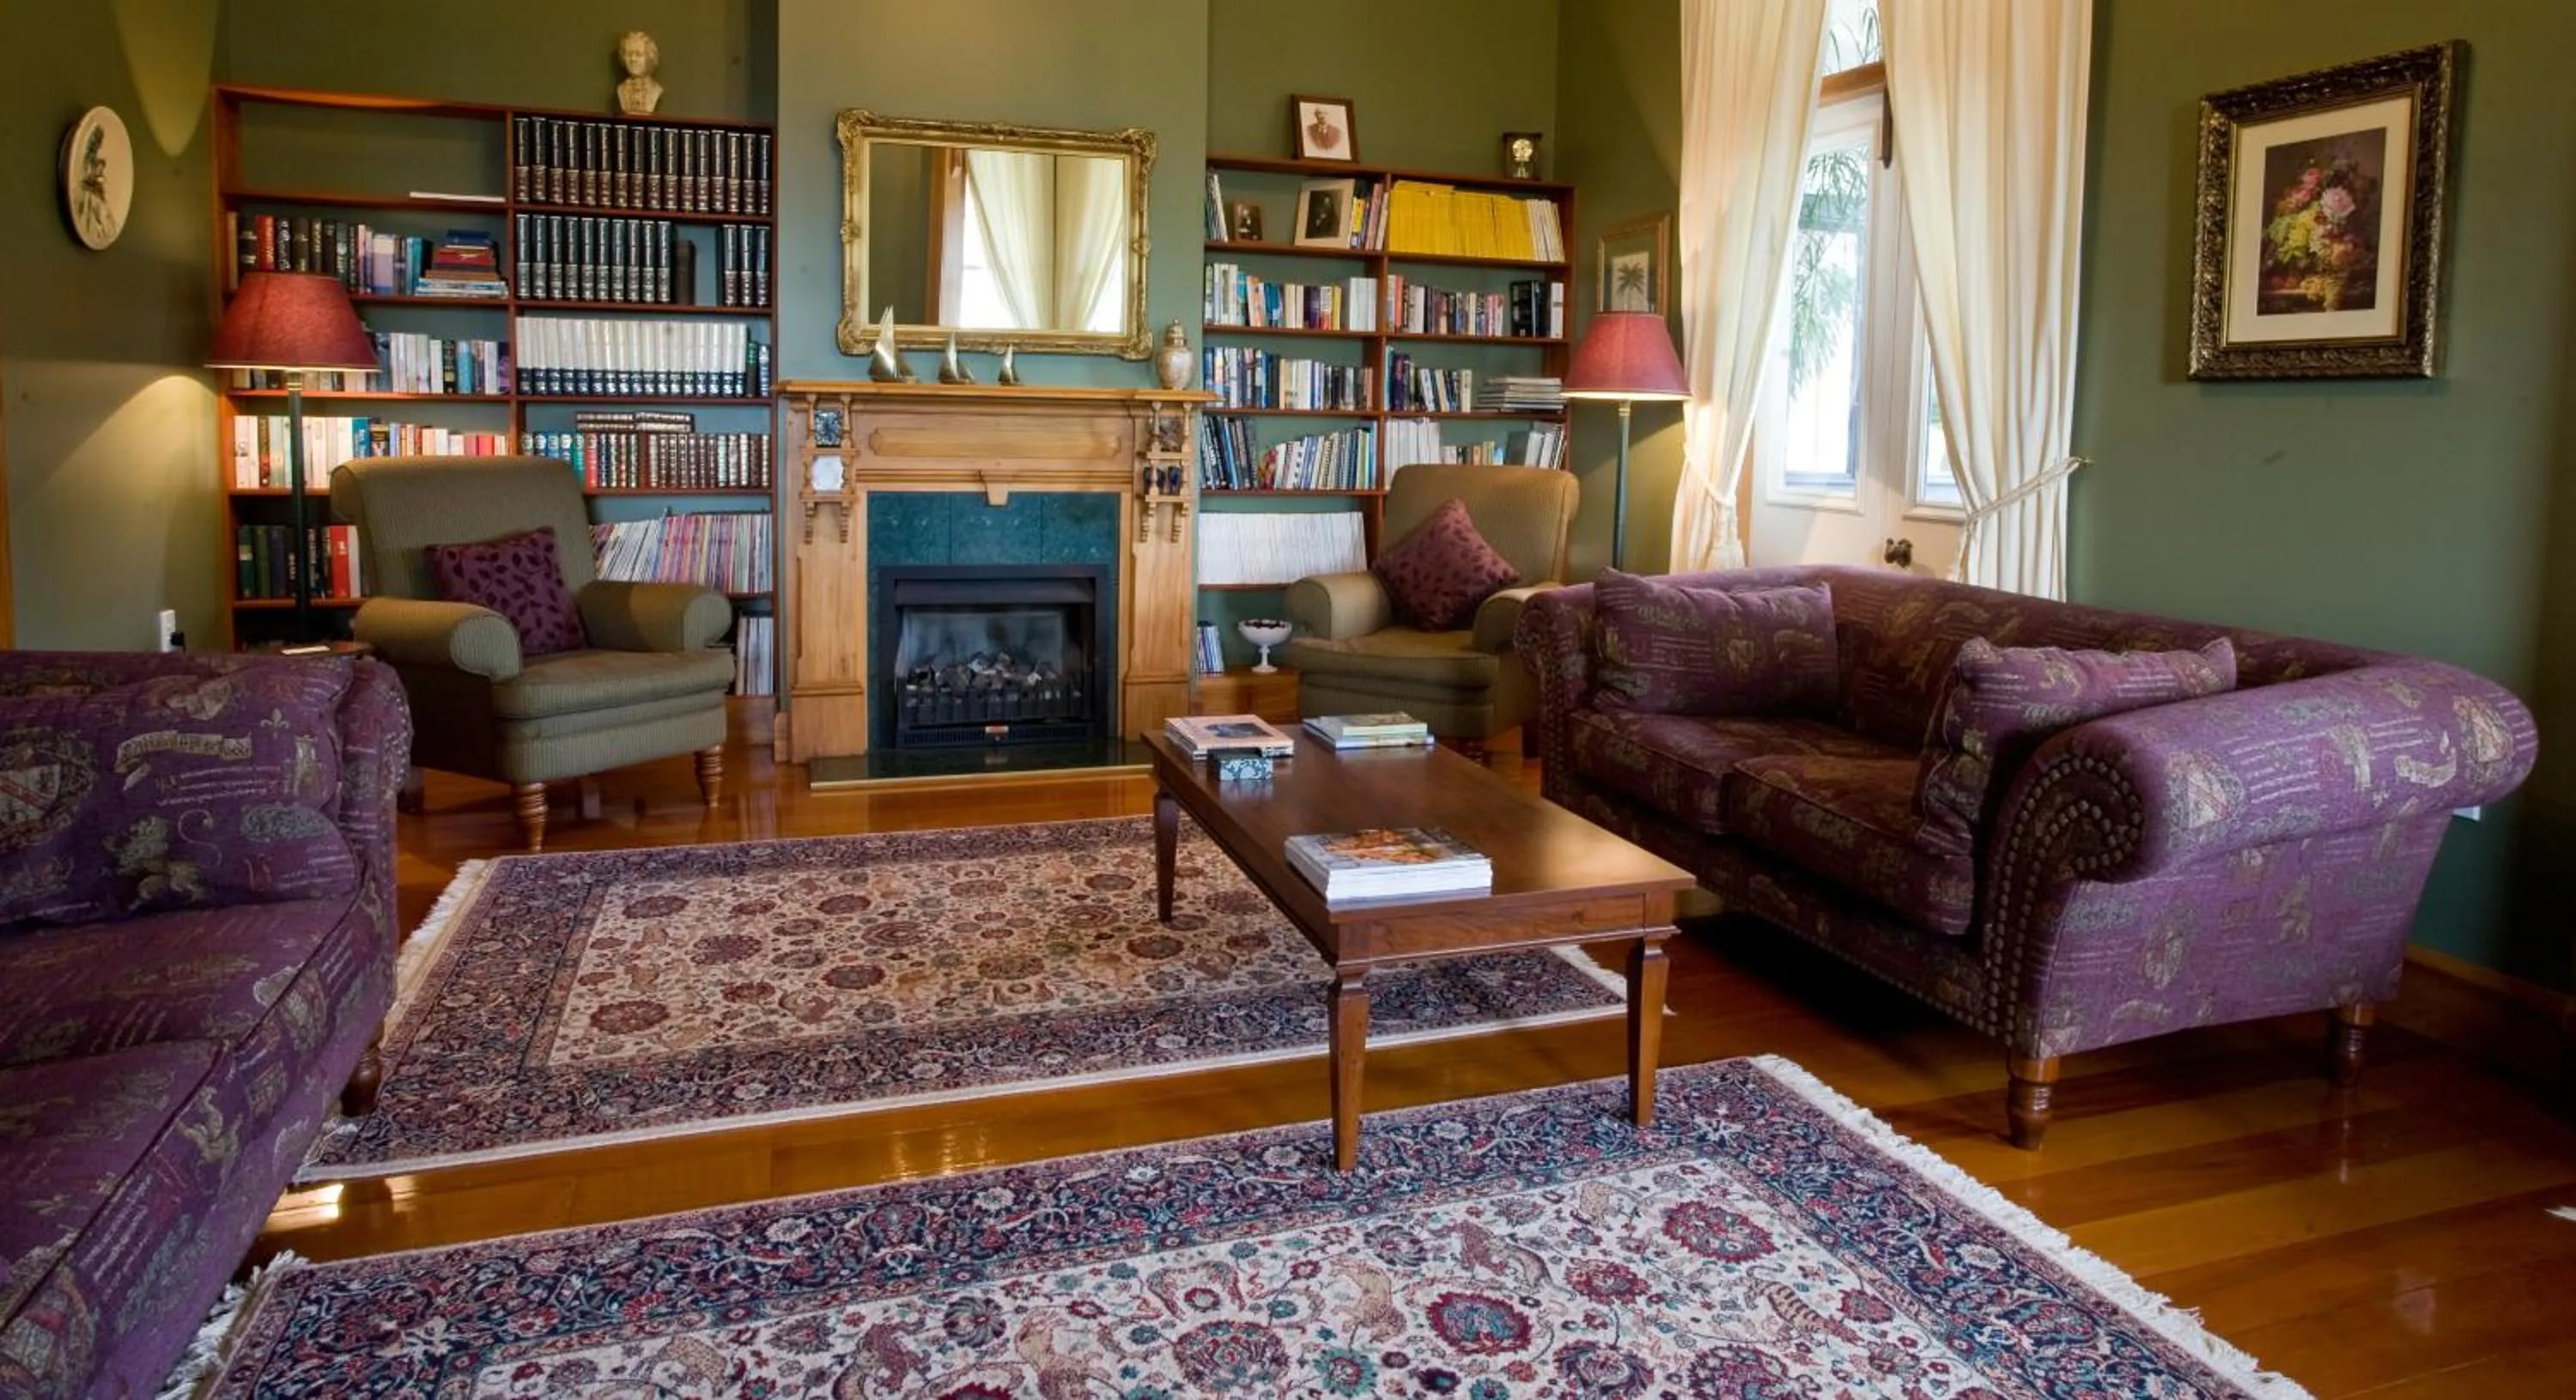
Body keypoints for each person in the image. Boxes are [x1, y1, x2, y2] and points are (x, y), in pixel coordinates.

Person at [616, 31, 662, 115]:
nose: (633, 59)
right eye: (629, 54)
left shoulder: (655, 90)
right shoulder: (621, 89)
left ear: (649, 57)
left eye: (639, 54)